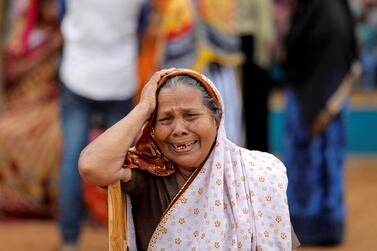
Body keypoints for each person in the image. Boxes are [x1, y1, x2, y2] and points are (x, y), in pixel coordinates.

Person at [79, 68, 300, 250]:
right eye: (165, 119)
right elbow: (91, 166)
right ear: (152, 128)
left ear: (217, 119)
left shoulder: (256, 173)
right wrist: (144, 108)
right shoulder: (149, 174)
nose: (179, 129)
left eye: (191, 116)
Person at [57, 0, 144, 250]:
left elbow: (62, 11)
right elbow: (142, 21)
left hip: (78, 72)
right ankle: (126, 238)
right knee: (123, 161)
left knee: (73, 156)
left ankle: (70, 240)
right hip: (119, 76)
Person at [282, 0, 357, 245]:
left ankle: (313, 227)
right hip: (319, 101)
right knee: (324, 164)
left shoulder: (324, 14)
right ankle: (322, 226)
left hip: (316, 105)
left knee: (315, 163)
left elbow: (301, 53)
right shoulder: (327, 10)